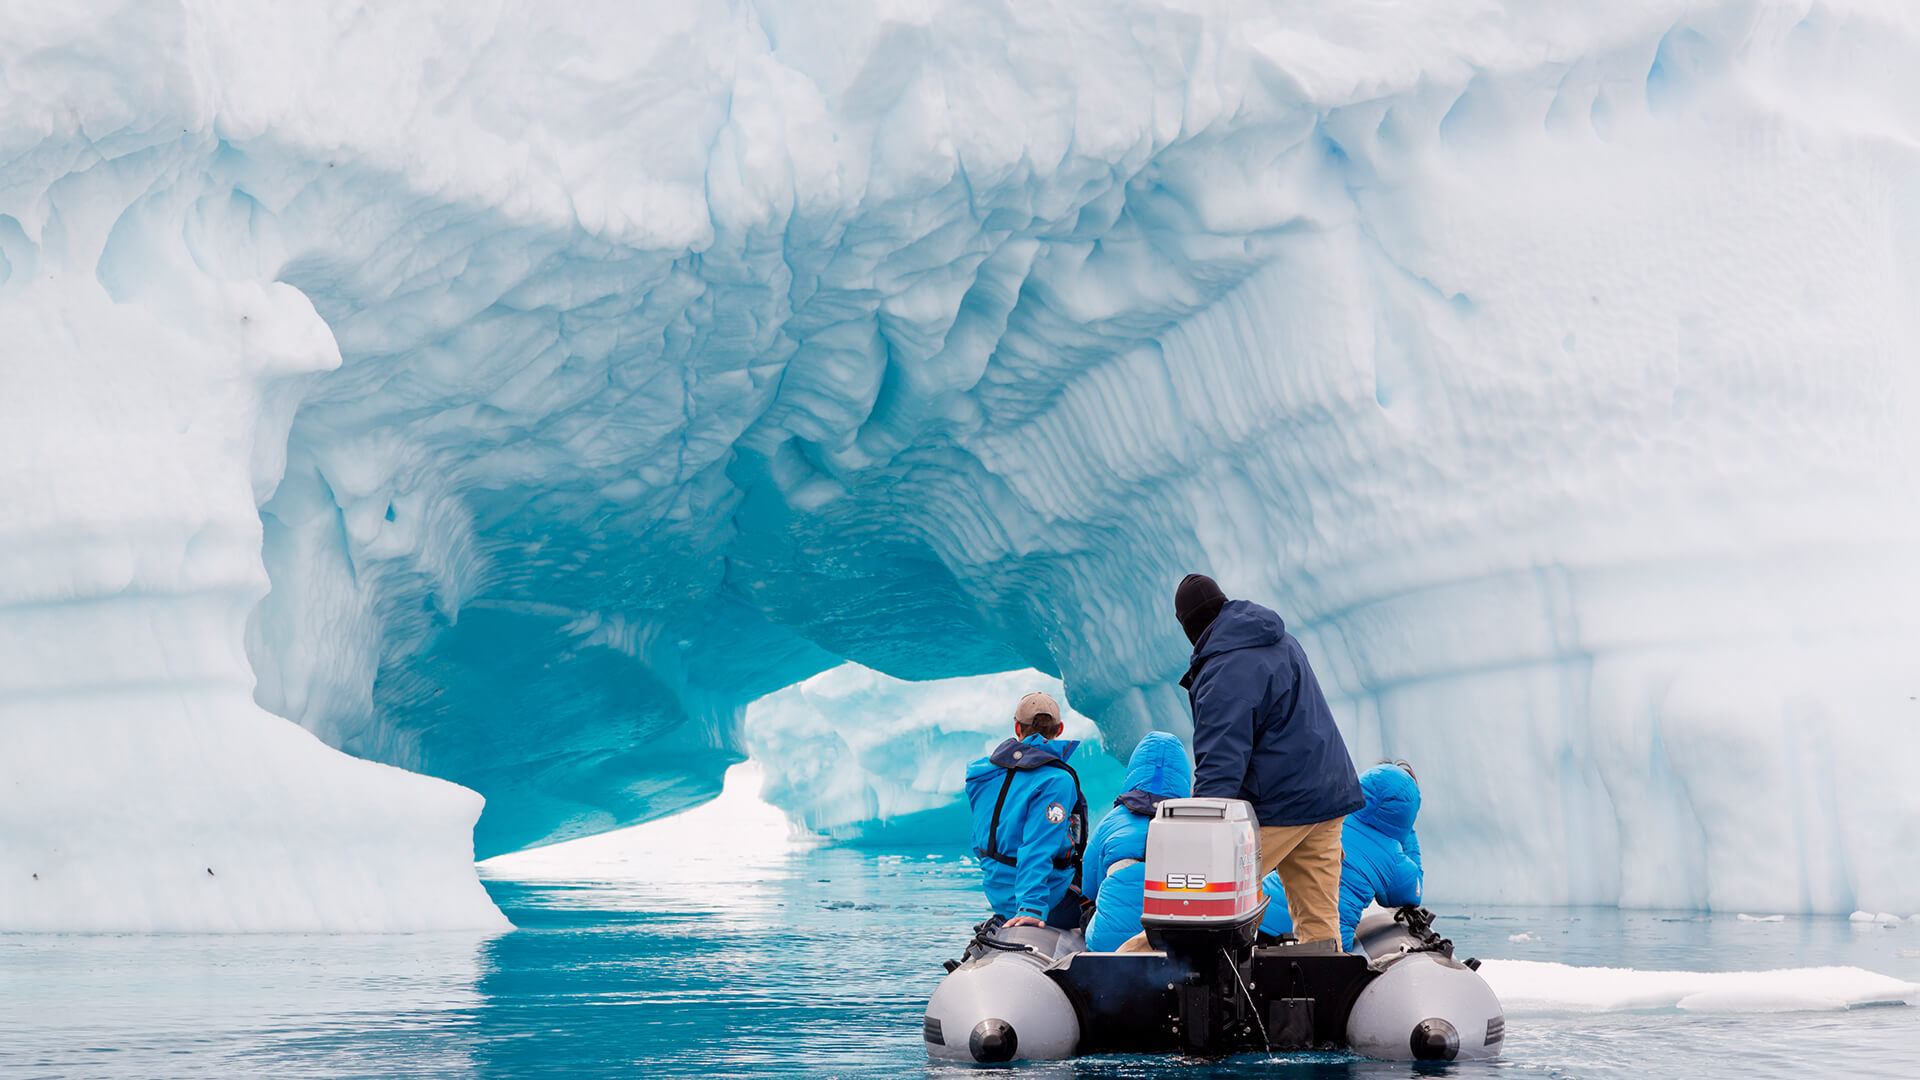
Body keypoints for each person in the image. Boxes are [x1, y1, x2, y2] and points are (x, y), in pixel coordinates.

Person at [1174, 573, 1363, 948]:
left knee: (1192, 905)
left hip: (1280, 805)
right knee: (1319, 925)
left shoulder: (1226, 667)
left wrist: (1202, 839)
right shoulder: (1279, 640)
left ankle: (1114, 982)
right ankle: (1324, 997)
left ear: (1189, 625)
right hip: (1327, 799)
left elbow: (1221, 759)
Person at [1258, 762, 1425, 951]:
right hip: (1319, 940)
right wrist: (1407, 835)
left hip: (1263, 916)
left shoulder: (1331, 817)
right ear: (1408, 814)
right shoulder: (1392, 857)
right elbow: (1411, 894)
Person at [964, 691, 1090, 929]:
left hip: (997, 893)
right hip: (1046, 901)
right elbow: (1037, 847)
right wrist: (1031, 907)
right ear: (1060, 729)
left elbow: (979, 840)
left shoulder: (981, 775)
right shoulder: (1056, 780)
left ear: (1017, 728)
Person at [1081, 732, 1192, 951]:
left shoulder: (1111, 821)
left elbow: (1089, 888)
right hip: (1176, 943)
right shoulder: (1193, 823)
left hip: (1111, 942)